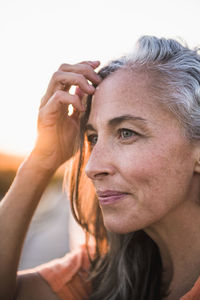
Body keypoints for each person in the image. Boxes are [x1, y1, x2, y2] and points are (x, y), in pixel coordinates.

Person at [1, 36, 200, 300]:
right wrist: (41, 161)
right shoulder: (102, 272)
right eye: (93, 138)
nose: (92, 167)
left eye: (127, 133)